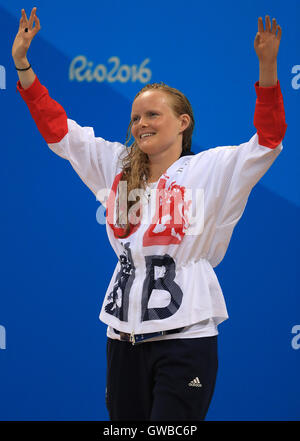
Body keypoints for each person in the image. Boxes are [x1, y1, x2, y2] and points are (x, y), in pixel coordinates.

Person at [12, 8, 287, 421]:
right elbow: (57, 129)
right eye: (136, 117)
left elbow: (268, 139)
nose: (141, 123)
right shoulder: (117, 167)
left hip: (185, 338)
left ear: (183, 123)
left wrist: (267, 68)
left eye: (152, 115)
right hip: (122, 339)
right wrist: (22, 64)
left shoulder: (210, 169)